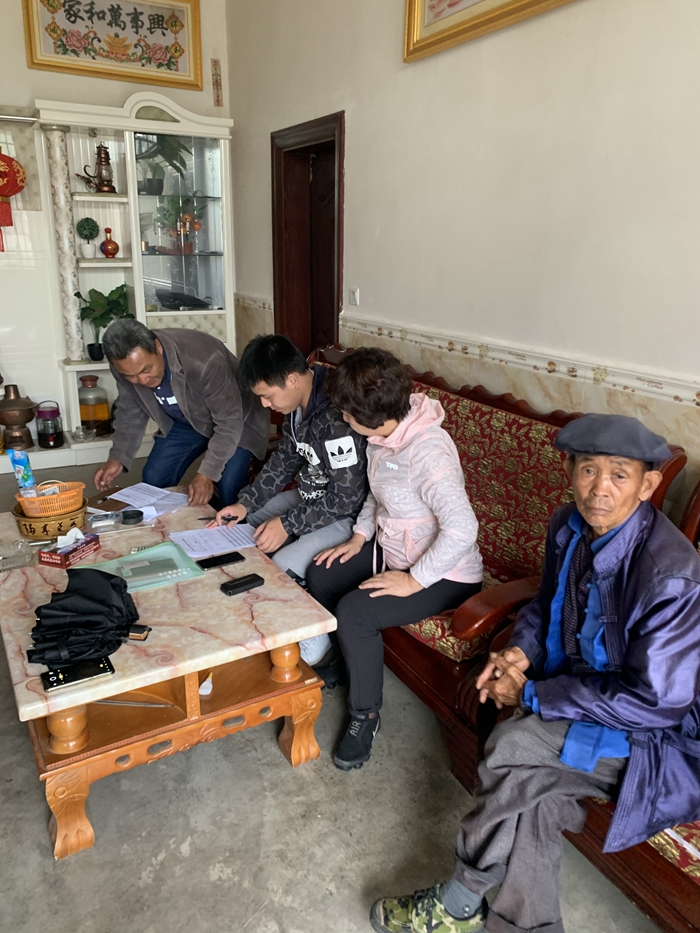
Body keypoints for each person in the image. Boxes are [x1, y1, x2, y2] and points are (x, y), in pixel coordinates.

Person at [370, 413, 700, 933]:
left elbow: (656, 703)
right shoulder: (568, 524)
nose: (600, 489)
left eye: (619, 475)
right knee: (536, 798)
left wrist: (534, 694)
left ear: (648, 484)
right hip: (580, 695)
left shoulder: (669, 575)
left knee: (514, 746)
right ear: (570, 472)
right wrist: (519, 654)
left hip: (651, 737)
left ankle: (459, 900)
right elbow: (547, 602)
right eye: (588, 470)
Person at [306, 347, 483, 771]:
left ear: (370, 415)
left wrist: (414, 580)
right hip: (395, 548)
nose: (343, 418)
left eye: (347, 413)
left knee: (355, 613)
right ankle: (349, 664)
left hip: (446, 572)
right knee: (322, 573)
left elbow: (463, 529)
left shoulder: (428, 452)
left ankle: (365, 716)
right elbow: (378, 494)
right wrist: (359, 537)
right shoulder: (381, 437)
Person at [210, 334, 369, 664]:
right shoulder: (297, 407)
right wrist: (245, 503)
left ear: (293, 379)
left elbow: (347, 498)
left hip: (346, 516)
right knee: (245, 523)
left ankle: (314, 648)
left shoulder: (336, 419)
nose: (265, 405)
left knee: (282, 564)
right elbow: (284, 461)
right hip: (310, 497)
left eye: (267, 396)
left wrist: (287, 523)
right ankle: (242, 607)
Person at [94, 321, 269, 508]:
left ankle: (233, 523)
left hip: (239, 418)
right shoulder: (124, 366)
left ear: (157, 347)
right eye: (131, 376)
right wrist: (118, 456)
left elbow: (229, 421)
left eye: (146, 369)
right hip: (189, 420)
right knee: (154, 479)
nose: (142, 380)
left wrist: (207, 474)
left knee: (229, 485)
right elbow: (129, 411)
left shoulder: (203, 358)